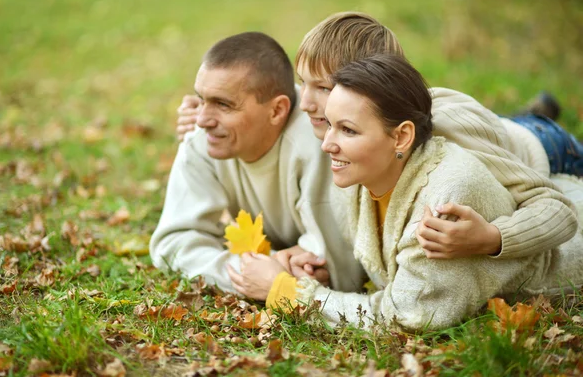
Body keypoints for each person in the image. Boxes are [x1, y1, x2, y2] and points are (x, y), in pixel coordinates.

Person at [176, 12, 581, 262]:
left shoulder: (447, 130)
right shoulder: (338, 116)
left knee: (501, 128)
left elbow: (554, 208)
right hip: (494, 125)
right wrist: (215, 109)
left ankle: (533, 120)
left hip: (547, 148)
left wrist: (494, 237)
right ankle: (528, 112)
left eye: (324, 88)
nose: (305, 103)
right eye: (304, 85)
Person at [227, 54, 583, 331]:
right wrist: (315, 265)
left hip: (561, 193)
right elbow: (384, 264)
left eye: (348, 131)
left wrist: (286, 292)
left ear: (401, 137)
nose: (328, 146)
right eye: (330, 126)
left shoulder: (444, 204)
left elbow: (406, 315)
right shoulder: (354, 179)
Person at [150, 32, 366, 294]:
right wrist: (261, 273)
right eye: (202, 99)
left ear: (276, 110)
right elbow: (172, 243)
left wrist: (279, 278)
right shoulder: (202, 139)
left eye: (223, 104)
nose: (202, 119)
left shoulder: (322, 140)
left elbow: (339, 266)